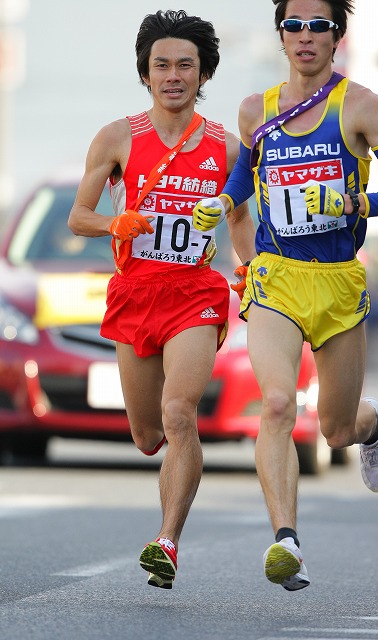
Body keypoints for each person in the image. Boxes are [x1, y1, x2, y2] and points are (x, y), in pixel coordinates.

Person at [192, 0, 378, 592]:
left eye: (317, 26)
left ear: (336, 35)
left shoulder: (360, 107)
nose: (305, 36)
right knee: (275, 404)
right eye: (293, 26)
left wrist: (360, 204)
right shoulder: (256, 110)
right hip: (276, 276)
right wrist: (220, 205)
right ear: (280, 36)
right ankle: (286, 543)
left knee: (337, 430)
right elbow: (244, 176)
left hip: (340, 281)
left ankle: (373, 430)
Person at [68, 9, 255, 589]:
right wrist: (117, 224)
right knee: (148, 433)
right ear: (146, 75)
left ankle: (167, 541)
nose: (173, 75)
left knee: (180, 414)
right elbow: (79, 217)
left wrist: (247, 269)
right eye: (162, 65)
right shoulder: (118, 137)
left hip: (195, 292)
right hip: (134, 291)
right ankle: (164, 493)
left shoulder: (226, 147)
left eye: (186, 65)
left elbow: (241, 213)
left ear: (203, 75)